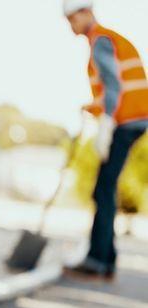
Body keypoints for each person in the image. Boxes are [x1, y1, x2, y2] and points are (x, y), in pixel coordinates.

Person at [62, 0, 148, 280]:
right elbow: (111, 89)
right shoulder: (107, 39)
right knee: (105, 187)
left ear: (85, 12)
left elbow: (114, 85)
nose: (71, 26)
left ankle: (98, 260)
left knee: (103, 189)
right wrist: (95, 107)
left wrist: (107, 123)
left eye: (72, 19)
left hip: (125, 123)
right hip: (133, 120)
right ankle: (105, 261)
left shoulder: (100, 41)